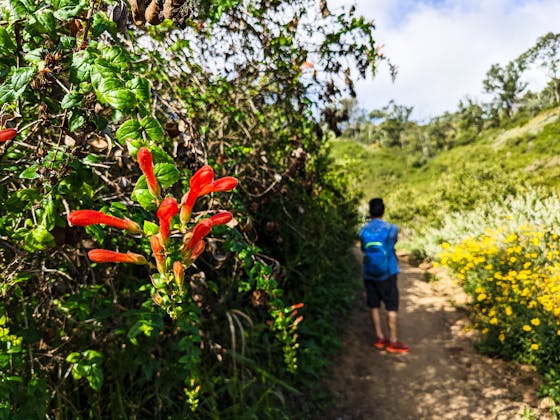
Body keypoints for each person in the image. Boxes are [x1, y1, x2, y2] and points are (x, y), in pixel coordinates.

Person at [358, 198, 409, 354]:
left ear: (370, 211)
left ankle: (380, 337)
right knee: (391, 305)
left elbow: (363, 249)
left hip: (369, 273)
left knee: (374, 305)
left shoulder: (363, 230)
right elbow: (392, 245)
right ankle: (393, 340)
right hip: (388, 272)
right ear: (383, 210)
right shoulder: (391, 228)